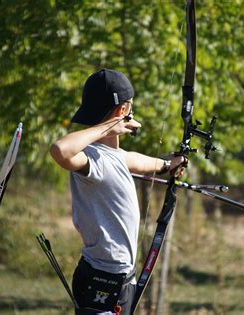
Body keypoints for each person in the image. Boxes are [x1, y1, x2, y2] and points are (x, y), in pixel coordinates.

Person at [50, 69, 184, 314]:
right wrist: (110, 127)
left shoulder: (116, 157)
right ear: (123, 110)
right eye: (130, 107)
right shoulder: (93, 158)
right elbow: (59, 149)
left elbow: (139, 161)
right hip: (102, 281)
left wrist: (168, 164)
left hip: (120, 279)